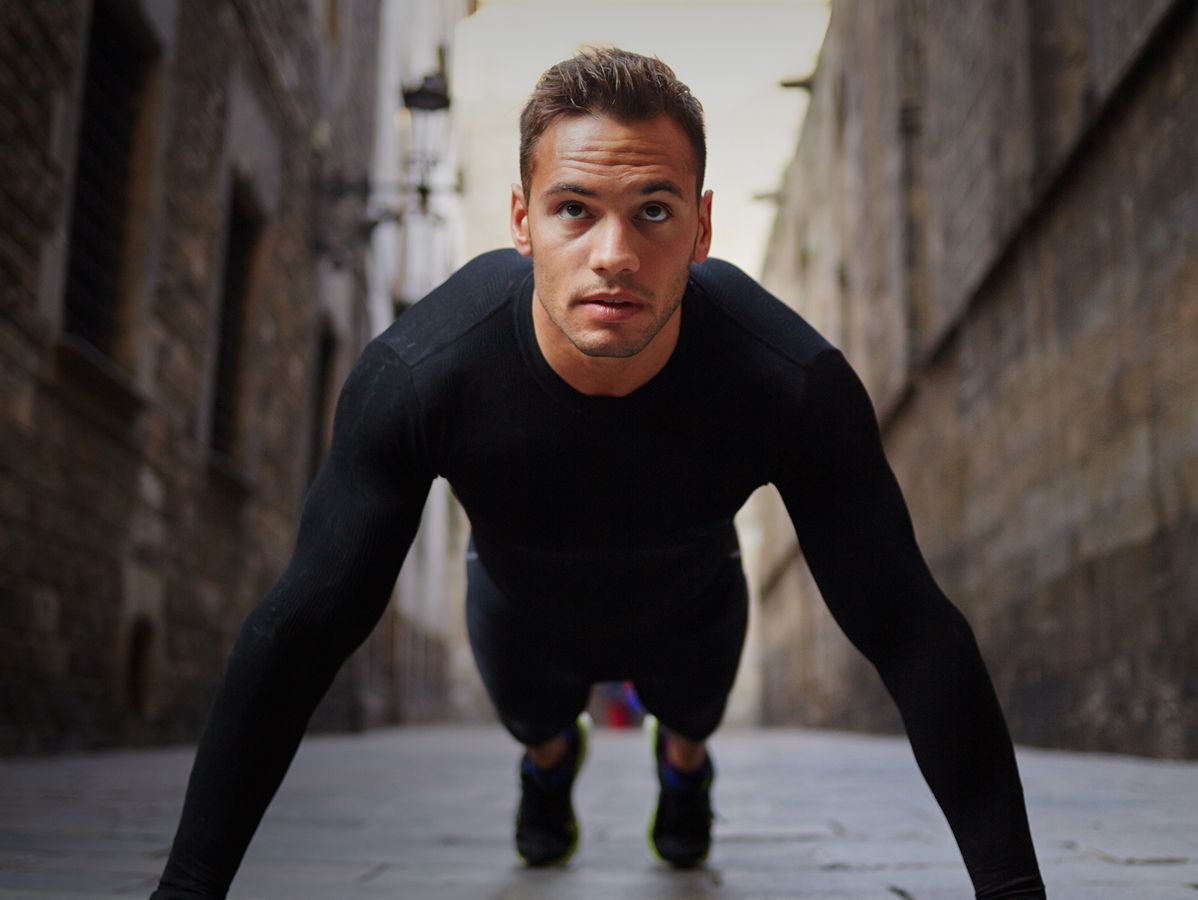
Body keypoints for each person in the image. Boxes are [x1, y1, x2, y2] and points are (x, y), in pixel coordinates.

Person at [152, 48, 1045, 898]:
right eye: (574, 209)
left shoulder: (789, 382)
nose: (614, 253)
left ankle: (684, 766)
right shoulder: (421, 375)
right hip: (519, 612)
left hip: (694, 611)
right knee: (539, 728)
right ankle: (549, 767)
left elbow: (910, 629)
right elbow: (302, 626)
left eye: (653, 210)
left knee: (691, 720)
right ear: (521, 223)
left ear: (701, 227)